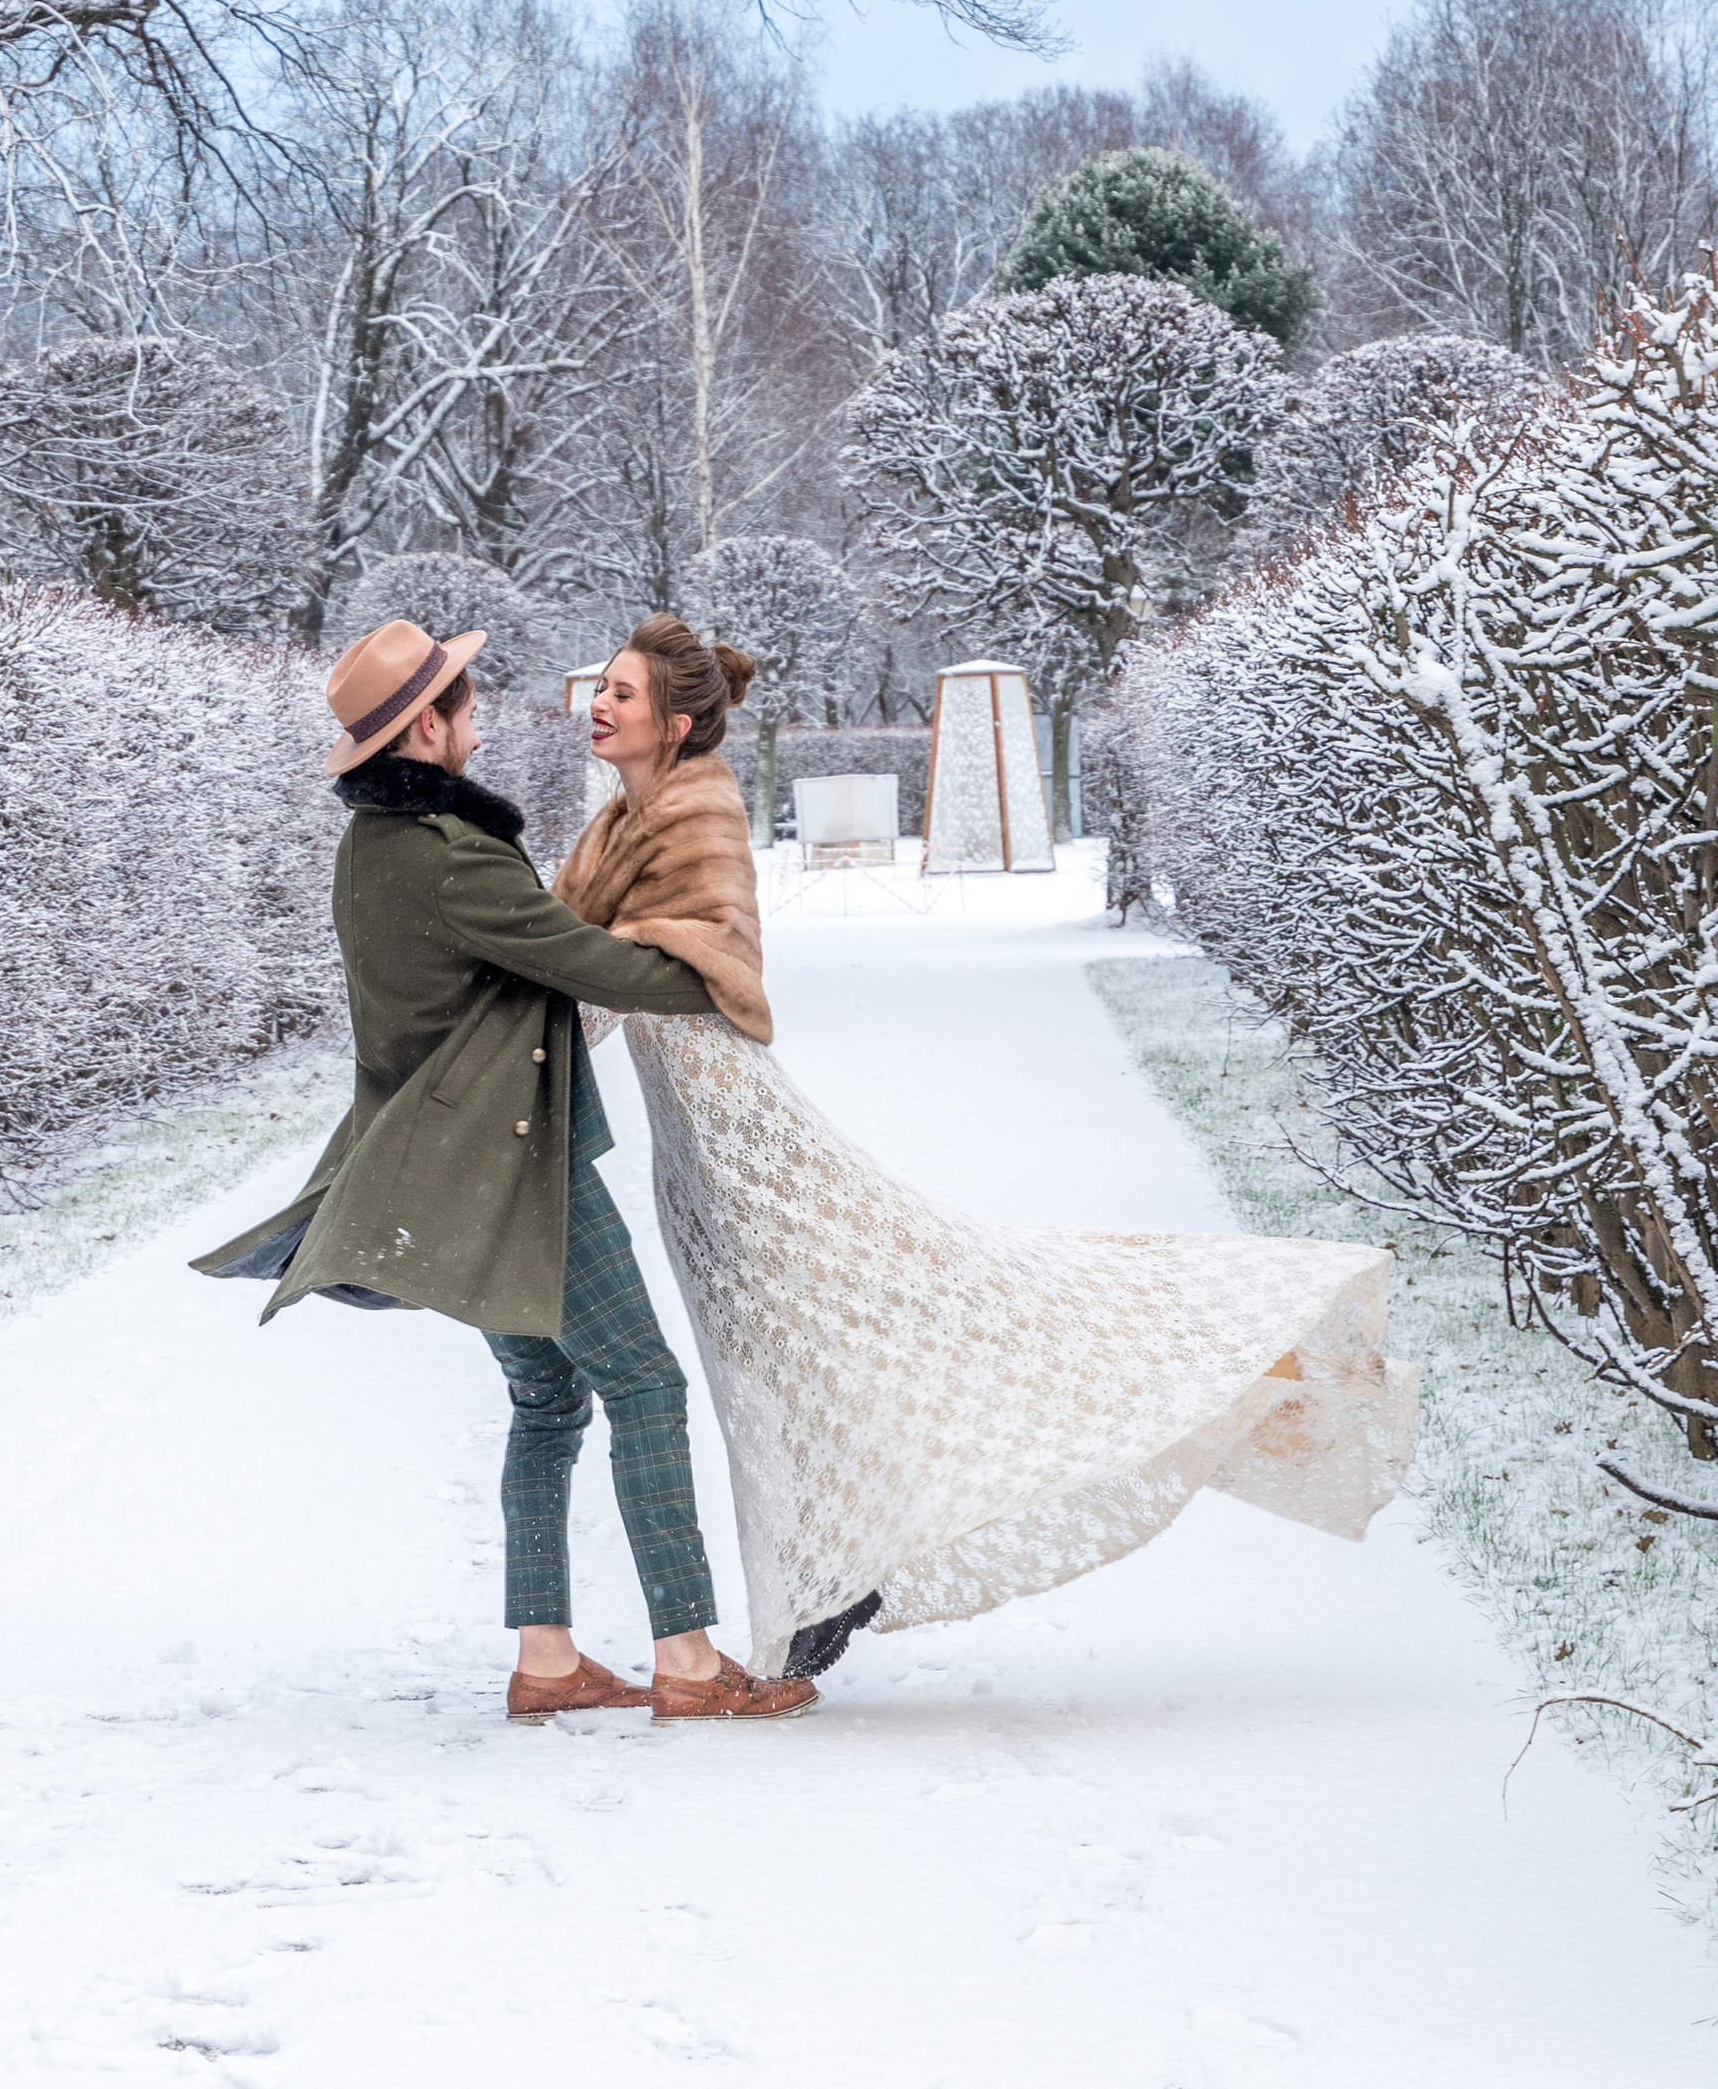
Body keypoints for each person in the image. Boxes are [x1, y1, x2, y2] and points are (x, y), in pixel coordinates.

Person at [555, 616, 1420, 1677]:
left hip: (739, 1127)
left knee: (893, 1302)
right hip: (685, 1136)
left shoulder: (697, 808)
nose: (600, 704)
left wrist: (587, 970)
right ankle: (832, 1569)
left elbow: (696, 960)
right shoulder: (615, 822)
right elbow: (574, 960)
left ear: (677, 724)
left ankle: (1221, 1360)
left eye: (624, 694)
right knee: (773, 1344)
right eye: (601, 688)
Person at [193, 616, 818, 1723]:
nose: (480, 722)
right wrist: (720, 979)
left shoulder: (379, 845)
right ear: (427, 727)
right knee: (644, 1382)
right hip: (510, 1164)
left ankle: (546, 1661)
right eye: (467, 708)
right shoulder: (440, 861)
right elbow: (579, 957)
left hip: (451, 1168)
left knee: (546, 1402)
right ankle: (685, 1661)